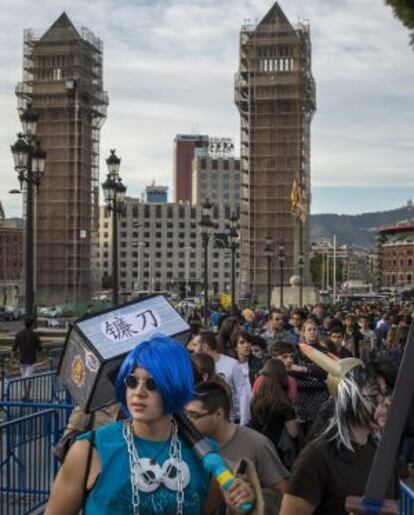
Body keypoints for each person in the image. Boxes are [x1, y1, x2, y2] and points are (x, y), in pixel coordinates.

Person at [45, 335, 253, 514]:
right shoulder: (89, 451)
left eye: (152, 383)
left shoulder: (206, 454)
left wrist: (239, 503)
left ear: (175, 387)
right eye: (132, 381)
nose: (139, 392)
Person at [280, 363, 399, 515]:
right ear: (350, 399)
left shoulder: (383, 454)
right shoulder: (317, 456)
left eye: (386, 394)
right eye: (375, 396)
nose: (387, 402)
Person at [185, 381, 289, 515]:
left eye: (194, 415)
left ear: (219, 414)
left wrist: (250, 496)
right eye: (185, 414)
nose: (188, 421)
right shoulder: (188, 445)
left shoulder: (257, 443)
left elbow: (282, 493)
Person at [193, 330, 251, 425]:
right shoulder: (195, 366)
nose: (193, 349)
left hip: (230, 421)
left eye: (195, 345)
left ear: (204, 347)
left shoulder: (232, 364)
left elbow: (242, 393)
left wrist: (243, 421)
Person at [250, 360, 299, 468]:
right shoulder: (283, 403)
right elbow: (293, 433)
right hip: (277, 452)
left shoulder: (256, 400)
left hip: (257, 448)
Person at [12, 317, 42, 399]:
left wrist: (14, 358)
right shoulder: (35, 335)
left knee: (24, 377)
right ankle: (27, 395)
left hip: (22, 360)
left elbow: (14, 348)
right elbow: (39, 348)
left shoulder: (19, 334)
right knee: (28, 378)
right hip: (31, 360)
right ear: (32, 325)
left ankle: (25, 394)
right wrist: (39, 357)